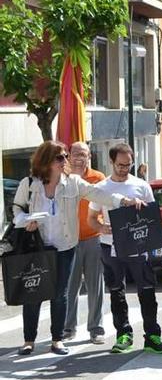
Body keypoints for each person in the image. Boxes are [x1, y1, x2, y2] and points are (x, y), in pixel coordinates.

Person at [12, 141, 143, 356]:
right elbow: (16, 210)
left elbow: (99, 194)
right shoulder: (29, 183)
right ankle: (29, 340)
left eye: (65, 156)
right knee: (33, 293)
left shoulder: (73, 182)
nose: (65, 160)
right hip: (37, 246)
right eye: (60, 157)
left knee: (60, 294)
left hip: (65, 245)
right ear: (46, 160)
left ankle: (57, 339)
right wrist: (26, 220)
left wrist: (125, 201)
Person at [87, 143, 162, 354]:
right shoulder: (101, 188)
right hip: (110, 247)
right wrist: (102, 227)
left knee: (147, 290)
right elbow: (91, 219)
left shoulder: (141, 185)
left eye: (128, 165)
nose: (124, 169)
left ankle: (152, 335)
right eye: (120, 165)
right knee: (117, 291)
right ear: (111, 162)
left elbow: (152, 218)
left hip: (138, 248)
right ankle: (123, 334)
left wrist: (143, 212)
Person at [63, 141, 106, 344]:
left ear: (90, 157)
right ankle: (68, 328)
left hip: (92, 238)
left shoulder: (98, 178)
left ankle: (95, 328)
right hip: (68, 240)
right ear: (69, 156)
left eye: (84, 154)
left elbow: (105, 206)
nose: (80, 157)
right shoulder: (63, 178)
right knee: (69, 287)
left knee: (95, 285)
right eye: (76, 153)